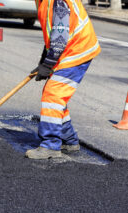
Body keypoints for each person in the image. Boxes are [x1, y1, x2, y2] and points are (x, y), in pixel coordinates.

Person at [25, 0, 100, 159]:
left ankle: (50, 146)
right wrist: (44, 61)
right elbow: (52, 33)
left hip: (77, 51)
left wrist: (49, 64)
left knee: (53, 94)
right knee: (55, 96)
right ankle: (69, 140)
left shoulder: (58, 1)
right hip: (71, 49)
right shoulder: (44, 1)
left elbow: (60, 37)